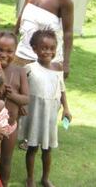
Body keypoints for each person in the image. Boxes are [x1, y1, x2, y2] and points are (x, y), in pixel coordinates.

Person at [19, 30, 71, 187]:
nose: (48, 51)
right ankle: (30, 178)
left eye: (52, 48)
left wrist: (66, 108)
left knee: (47, 149)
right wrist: (21, 104)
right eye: (44, 48)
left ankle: (45, 178)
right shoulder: (29, 68)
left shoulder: (58, 68)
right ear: (35, 49)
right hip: (34, 112)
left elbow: (62, 89)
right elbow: (21, 88)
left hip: (50, 113)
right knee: (33, 147)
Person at [15, 0, 74, 78]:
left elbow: (68, 32)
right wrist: (13, 34)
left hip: (47, 61)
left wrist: (66, 63)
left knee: (43, 96)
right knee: (16, 93)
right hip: (22, 54)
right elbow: (23, 12)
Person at [0, 31, 29, 186]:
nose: (3, 54)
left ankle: (4, 183)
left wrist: (11, 95)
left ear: (15, 51)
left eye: (9, 51)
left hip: (10, 126)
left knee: (6, 160)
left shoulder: (20, 72)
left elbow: (26, 98)